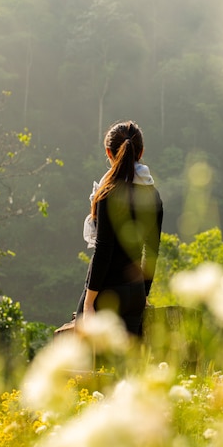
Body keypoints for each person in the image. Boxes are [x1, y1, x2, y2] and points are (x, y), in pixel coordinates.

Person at [77, 120, 163, 336]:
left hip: (106, 292)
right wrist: (143, 294)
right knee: (128, 366)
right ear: (141, 151)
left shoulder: (108, 193)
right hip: (134, 294)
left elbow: (104, 249)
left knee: (89, 365)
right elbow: (151, 252)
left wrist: (88, 304)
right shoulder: (153, 195)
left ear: (109, 152)